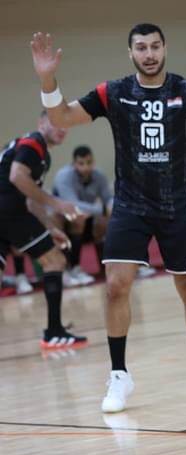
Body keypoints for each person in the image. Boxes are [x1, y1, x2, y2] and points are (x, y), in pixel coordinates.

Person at [30, 24, 186, 412]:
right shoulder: (113, 92)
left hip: (177, 207)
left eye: (154, 46)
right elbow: (63, 117)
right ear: (130, 53)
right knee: (115, 286)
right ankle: (119, 375)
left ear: (164, 48)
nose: (149, 54)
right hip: (130, 205)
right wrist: (48, 79)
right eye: (141, 47)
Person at [0, 111, 87, 348]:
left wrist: (49, 228)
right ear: (41, 123)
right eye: (56, 122)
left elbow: (31, 199)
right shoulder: (33, 143)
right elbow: (17, 177)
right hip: (8, 211)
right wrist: (57, 204)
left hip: (10, 212)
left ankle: (54, 331)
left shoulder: (40, 154)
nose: (62, 128)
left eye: (66, 124)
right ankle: (54, 332)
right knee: (55, 261)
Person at [52, 145, 113, 286]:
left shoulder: (99, 176)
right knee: (78, 217)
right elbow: (73, 205)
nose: (86, 167)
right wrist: (103, 209)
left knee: (105, 220)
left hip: (87, 219)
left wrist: (112, 207)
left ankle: (107, 266)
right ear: (74, 164)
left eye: (89, 162)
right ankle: (72, 267)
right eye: (81, 163)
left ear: (93, 162)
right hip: (61, 221)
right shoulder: (64, 176)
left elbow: (108, 199)